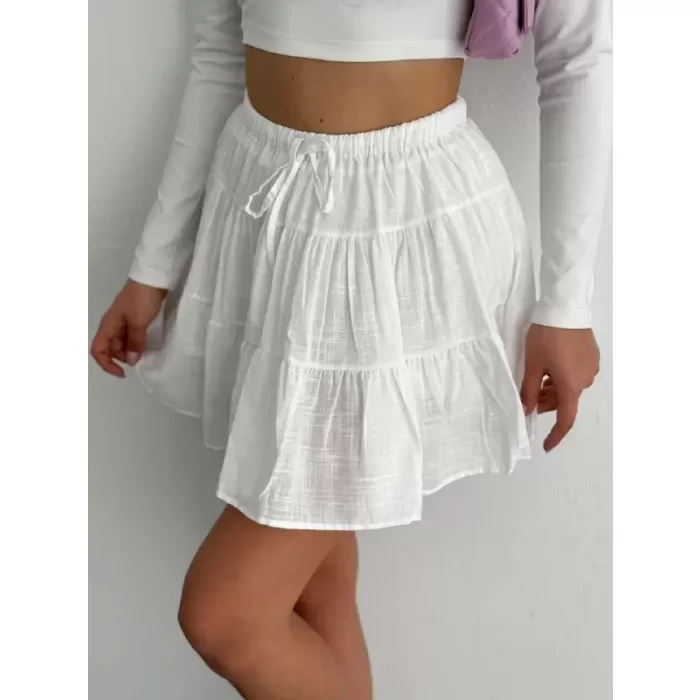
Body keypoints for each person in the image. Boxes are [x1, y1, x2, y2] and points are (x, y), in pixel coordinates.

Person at [90, 0, 611, 697]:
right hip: (265, 221)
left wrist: (567, 306)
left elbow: (576, 61)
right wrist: (152, 269)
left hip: (398, 241)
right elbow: (219, 55)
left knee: (224, 617)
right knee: (317, 591)